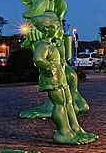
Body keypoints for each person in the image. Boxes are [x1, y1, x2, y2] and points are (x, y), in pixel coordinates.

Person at [6, 0, 89, 116]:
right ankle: (77, 101)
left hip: (42, 24)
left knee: (47, 64)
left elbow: (40, 2)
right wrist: (57, 19)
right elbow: (62, 3)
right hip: (54, 23)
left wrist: (36, 24)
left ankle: (53, 106)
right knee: (62, 64)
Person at [29, 13, 97, 145]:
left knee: (68, 102)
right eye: (55, 27)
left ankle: (75, 128)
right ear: (46, 29)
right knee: (60, 104)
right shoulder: (44, 46)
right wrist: (49, 68)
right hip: (53, 81)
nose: (57, 30)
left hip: (60, 79)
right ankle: (63, 132)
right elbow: (38, 59)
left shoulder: (51, 44)